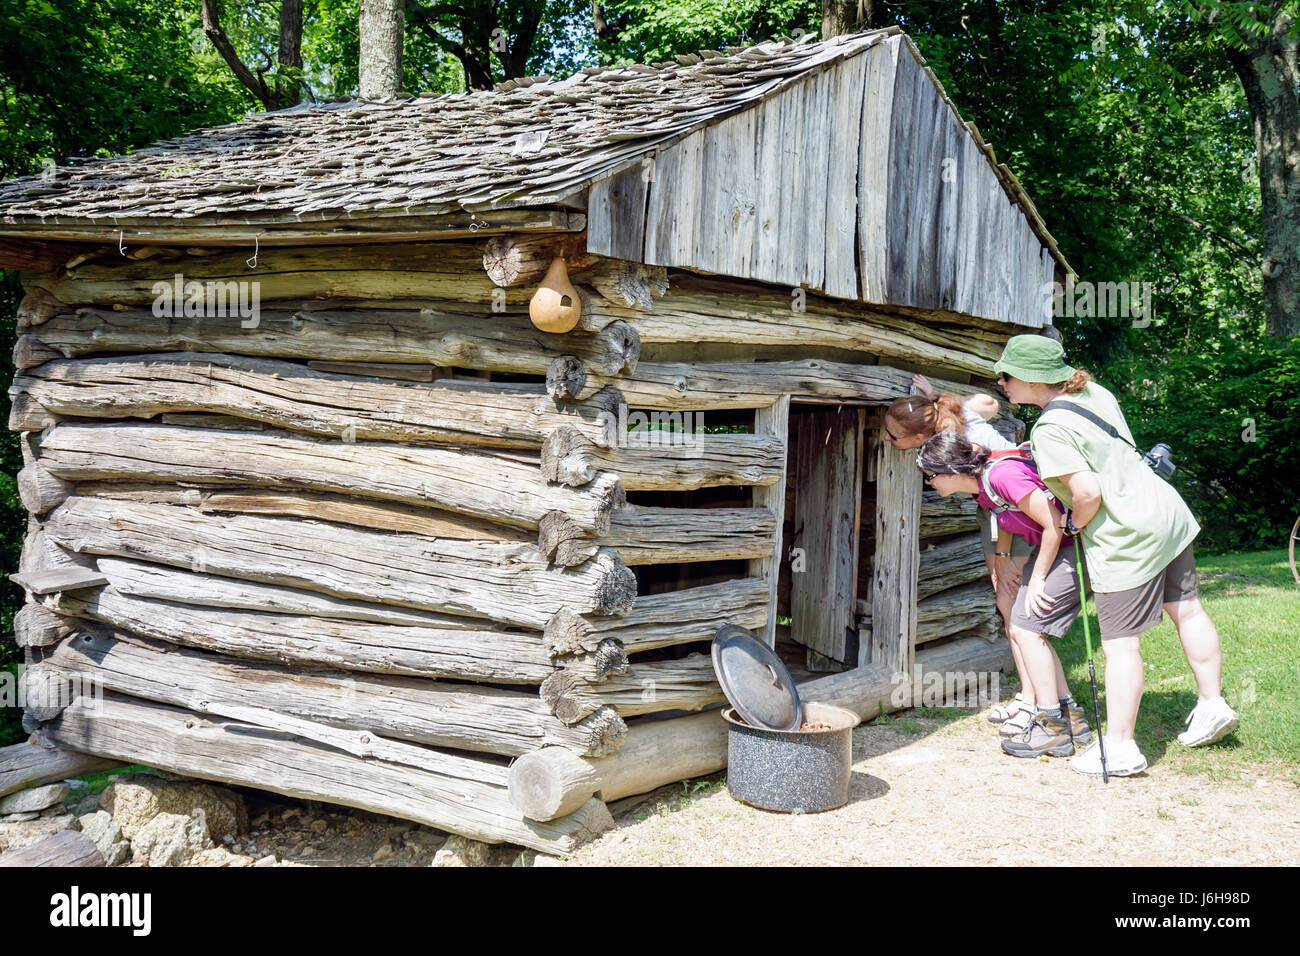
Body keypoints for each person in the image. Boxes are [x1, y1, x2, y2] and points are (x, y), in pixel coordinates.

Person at [993, 334, 1238, 776]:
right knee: (1188, 609)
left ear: (1030, 379)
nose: (1002, 383)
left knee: (1121, 645)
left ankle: (1122, 747)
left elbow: (1087, 492)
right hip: (1165, 511)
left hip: (1127, 534)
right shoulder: (1092, 391)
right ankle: (1212, 704)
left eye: (1006, 375)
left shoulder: (1048, 428)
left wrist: (1073, 523)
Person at [916, 431, 1091, 758]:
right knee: (1026, 627)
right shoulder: (982, 488)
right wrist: (1005, 557)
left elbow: (1054, 525)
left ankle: (1051, 725)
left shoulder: (1003, 475)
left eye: (930, 475)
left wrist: (1037, 578)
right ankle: (1071, 716)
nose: (929, 483)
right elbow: (1008, 518)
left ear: (952, 472)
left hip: (1075, 549)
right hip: (1056, 550)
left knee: (1025, 629)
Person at [885, 376, 1038, 728]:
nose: (889, 440)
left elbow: (992, 403)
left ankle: (1037, 699)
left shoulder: (958, 439)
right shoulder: (951, 420)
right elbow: (989, 405)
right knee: (1006, 598)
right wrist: (936, 398)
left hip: (1016, 505)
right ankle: (1029, 695)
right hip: (998, 507)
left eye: (894, 437)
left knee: (1012, 599)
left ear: (922, 439)